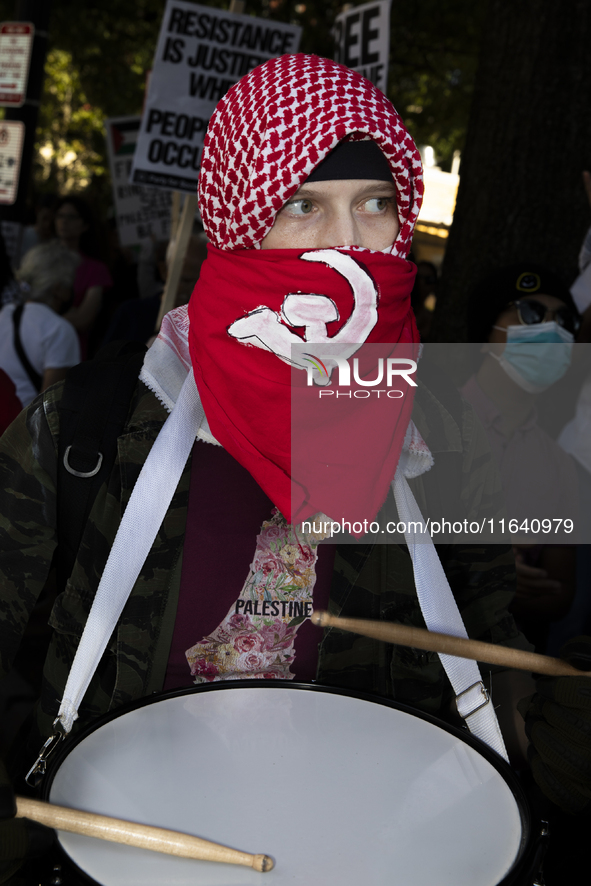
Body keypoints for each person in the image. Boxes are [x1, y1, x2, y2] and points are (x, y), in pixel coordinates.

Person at [0, 54, 589, 880]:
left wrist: (555, 720)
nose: (349, 244)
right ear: (236, 223)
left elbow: (490, 658)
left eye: (376, 205)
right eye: (303, 206)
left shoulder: (447, 441)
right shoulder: (86, 427)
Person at [0, 242, 81, 409]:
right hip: (21, 430)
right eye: (70, 282)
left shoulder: (5, 314)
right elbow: (49, 408)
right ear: (57, 288)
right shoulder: (60, 330)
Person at [54, 196, 112, 358]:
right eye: (60, 215)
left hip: (69, 352)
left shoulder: (96, 269)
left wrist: (45, 314)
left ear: (85, 225)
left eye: (71, 217)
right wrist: (69, 315)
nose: (64, 221)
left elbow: (83, 320)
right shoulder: (39, 259)